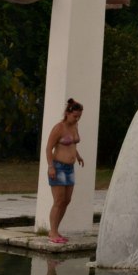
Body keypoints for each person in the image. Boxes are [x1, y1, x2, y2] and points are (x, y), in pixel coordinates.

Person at [45, 98, 86, 243]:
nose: (77, 119)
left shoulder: (75, 126)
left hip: (70, 168)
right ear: (67, 113)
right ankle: (52, 232)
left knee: (67, 200)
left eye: (79, 116)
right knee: (59, 200)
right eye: (75, 116)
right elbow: (49, 148)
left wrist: (78, 156)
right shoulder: (59, 128)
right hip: (58, 167)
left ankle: (56, 230)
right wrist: (51, 167)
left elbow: (72, 145)